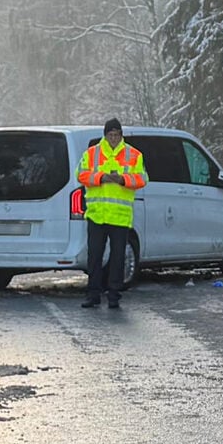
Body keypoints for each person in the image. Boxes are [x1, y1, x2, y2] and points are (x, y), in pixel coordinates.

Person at [75, 118, 147, 309]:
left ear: (121, 135)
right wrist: (101, 178)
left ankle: (114, 295)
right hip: (97, 215)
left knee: (117, 258)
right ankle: (93, 294)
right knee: (94, 257)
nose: (113, 138)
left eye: (116, 135)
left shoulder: (134, 154)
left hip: (120, 216)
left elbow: (142, 178)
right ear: (105, 135)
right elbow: (80, 174)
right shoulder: (92, 153)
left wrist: (122, 179)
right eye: (110, 135)